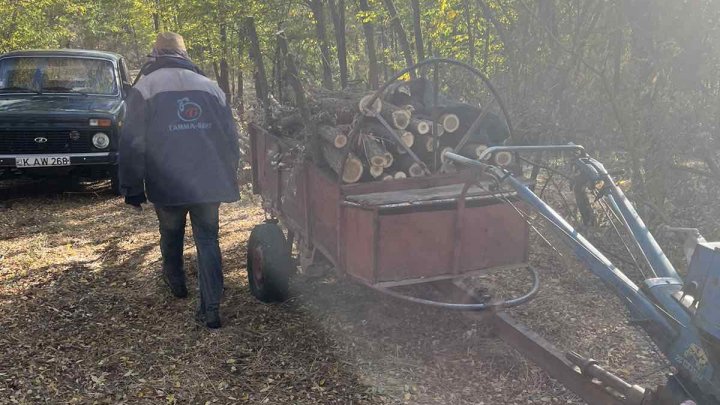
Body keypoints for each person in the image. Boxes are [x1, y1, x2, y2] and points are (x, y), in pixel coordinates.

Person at [119, 32, 240, 329]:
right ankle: (211, 308)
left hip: (167, 181)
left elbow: (132, 141)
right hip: (209, 182)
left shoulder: (145, 87)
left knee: (171, 233)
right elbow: (230, 139)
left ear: (155, 53)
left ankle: (176, 284)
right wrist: (229, 173)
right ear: (185, 55)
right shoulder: (211, 88)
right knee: (209, 241)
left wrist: (132, 187)